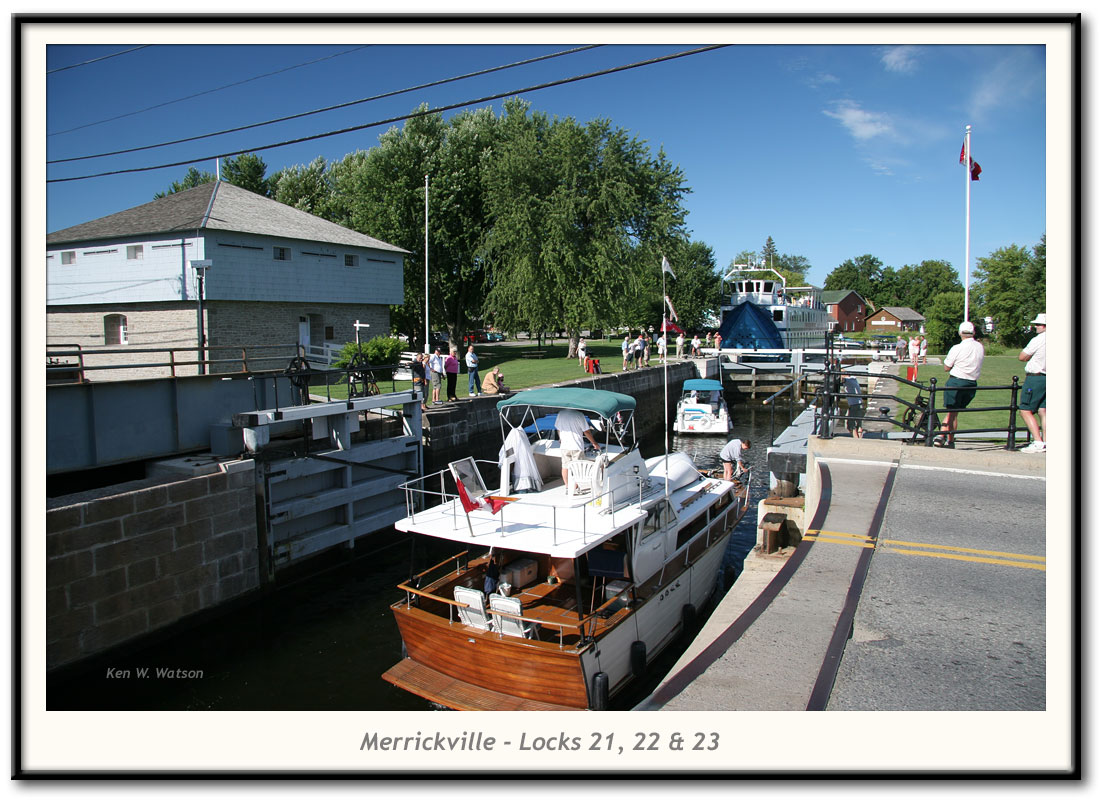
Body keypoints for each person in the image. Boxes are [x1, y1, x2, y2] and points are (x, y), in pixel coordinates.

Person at [935, 320, 985, 448]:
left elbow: (946, 367)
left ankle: (946, 437)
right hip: (971, 382)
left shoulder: (957, 348)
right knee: (954, 412)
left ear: (960, 333)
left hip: (956, 380)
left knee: (951, 411)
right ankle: (945, 436)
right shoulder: (979, 347)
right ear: (973, 332)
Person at [1017, 312, 1047, 453]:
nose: (1037, 327)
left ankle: (1037, 441)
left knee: (1025, 409)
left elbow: (1022, 356)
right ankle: (1046, 440)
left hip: (1036, 377)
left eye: (1040, 325)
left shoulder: (1039, 339)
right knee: (1043, 410)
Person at [554, 408, 601, 490]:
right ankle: (575, 488)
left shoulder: (561, 414)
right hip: (576, 446)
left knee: (565, 467)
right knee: (577, 469)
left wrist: (561, 438)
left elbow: (558, 429)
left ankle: (568, 487)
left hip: (564, 446)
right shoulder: (579, 415)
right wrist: (594, 443)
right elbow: (586, 432)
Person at [842, 371, 864, 438]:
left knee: (851, 424)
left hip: (853, 404)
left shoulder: (847, 380)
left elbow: (842, 379)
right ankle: (860, 437)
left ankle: (855, 439)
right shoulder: (854, 379)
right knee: (859, 424)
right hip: (860, 403)